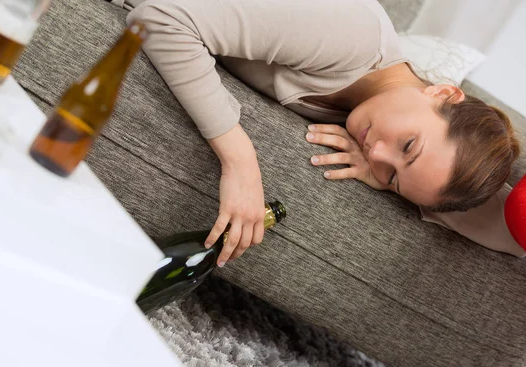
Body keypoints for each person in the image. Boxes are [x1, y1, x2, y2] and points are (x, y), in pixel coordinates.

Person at [124, 0, 522, 264]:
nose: (377, 153)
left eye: (394, 176)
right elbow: (160, 19)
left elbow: (499, 226)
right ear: (444, 91)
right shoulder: (351, 35)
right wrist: (239, 157)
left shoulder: (368, 109)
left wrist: (387, 177)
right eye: (408, 145)